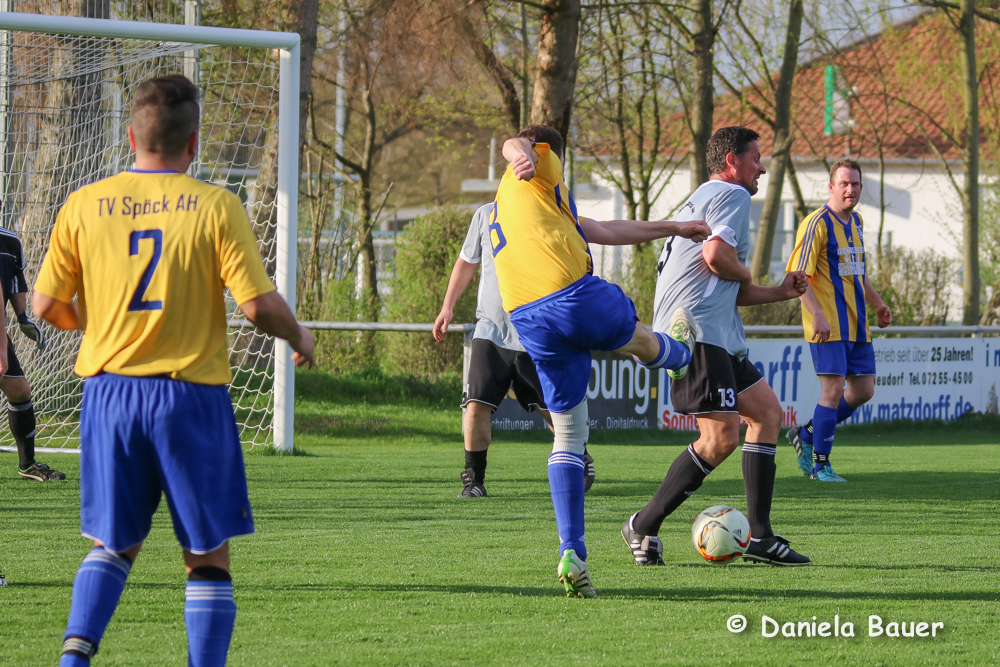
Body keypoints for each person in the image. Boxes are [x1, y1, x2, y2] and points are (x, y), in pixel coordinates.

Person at [32, 75, 315, 667]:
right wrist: (299, 333)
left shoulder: (85, 203)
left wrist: (100, 325)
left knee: (113, 544)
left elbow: (45, 306)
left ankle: (74, 658)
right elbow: (257, 306)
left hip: (109, 394)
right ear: (193, 145)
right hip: (191, 399)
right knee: (206, 553)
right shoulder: (216, 204)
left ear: (131, 135)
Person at [496, 125, 711, 597]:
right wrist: (521, 155)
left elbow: (607, 229)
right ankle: (678, 354)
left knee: (570, 432)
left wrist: (674, 227)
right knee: (636, 334)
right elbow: (516, 142)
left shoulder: (533, 208)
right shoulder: (540, 171)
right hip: (568, 295)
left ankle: (572, 551)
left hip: (527, 317)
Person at [622, 126, 812, 568]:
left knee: (765, 413)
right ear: (731, 162)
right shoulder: (732, 196)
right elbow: (717, 258)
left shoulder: (703, 199)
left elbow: (726, 283)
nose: (762, 167)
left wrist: (778, 291)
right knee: (720, 437)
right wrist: (746, 272)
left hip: (715, 331)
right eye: (756, 158)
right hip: (698, 331)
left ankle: (760, 537)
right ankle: (642, 524)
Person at [785, 159, 891, 482]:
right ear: (831, 187)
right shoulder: (816, 223)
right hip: (828, 324)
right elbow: (797, 275)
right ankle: (820, 465)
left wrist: (878, 304)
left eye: (855, 184)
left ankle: (806, 435)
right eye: (844, 183)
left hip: (858, 325)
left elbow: (858, 272)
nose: (850, 189)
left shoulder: (857, 222)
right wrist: (817, 313)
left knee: (863, 390)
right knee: (831, 390)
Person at [0, 225, 65, 481]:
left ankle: (27, 465)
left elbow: (15, 280)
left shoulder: (9, 240)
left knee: (20, 391)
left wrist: (22, 317)